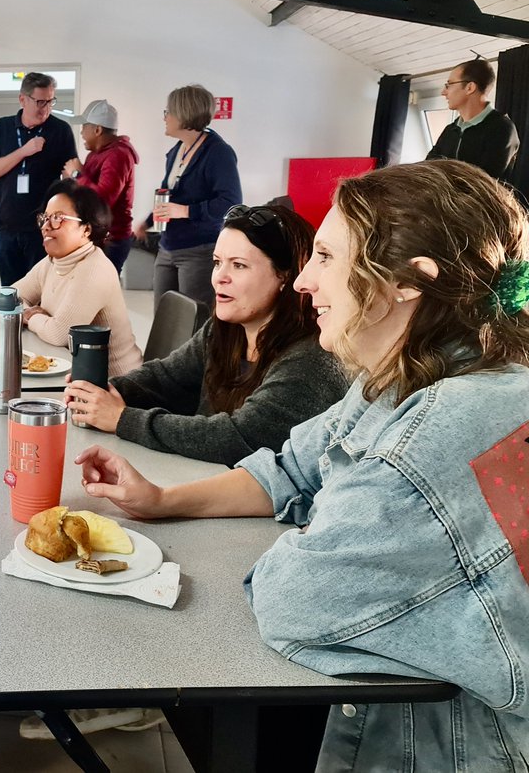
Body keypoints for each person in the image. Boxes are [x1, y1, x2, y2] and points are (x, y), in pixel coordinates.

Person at [81, 159, 529, 770]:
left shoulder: (431, 435)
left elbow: (296, 601)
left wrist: (323, 529)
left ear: (409, 281)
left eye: (325, 257)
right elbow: (292, 466)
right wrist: (163, 501)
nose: (304, 282)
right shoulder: (406, 378)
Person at [67, 203, 346, 465]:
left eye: (238, 265)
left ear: (286, 276)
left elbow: (239, 437)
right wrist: (98, 394)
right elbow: (165, 378)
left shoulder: (310, 359)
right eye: (217, 262)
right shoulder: (224, 330)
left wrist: (121, 419)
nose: (219, 277)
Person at [12, 179, 143, 377]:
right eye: (44, 218)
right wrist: (39, 318)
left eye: (57, 218)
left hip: (117, 384)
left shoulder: (95, 269)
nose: (46, 226)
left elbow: (59, 334)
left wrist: (30, 317)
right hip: (78, 373)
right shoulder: (53, 261)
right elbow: (9, 297)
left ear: (86, 229)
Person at [134, 84, 241, 310]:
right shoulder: (177, 151)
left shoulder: (218, 152)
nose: (165, 117)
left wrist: (185, 211)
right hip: (168, 247)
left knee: (193, 321)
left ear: (184, 114)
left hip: (198, 251)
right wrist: (147, 222)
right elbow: (168, 195)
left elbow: (230, 202)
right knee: (164, 320)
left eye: (168, 112)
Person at [0, 72, 78, 285]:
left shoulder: (60, 130)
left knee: (41, 290)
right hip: (8, 224)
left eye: (50, 101)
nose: (45, 108)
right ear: (22, 99)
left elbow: (70, 175)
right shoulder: (3, 126)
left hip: (43, 227)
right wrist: (24, 151)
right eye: (40, 101)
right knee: (11, 292)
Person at [63, 99, 138, 274]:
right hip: (97, 236)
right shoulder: (95, 155)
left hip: (112, 239)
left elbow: (103, 200)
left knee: (98, 291)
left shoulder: (118, 155)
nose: (81, 132)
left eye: (84, 127)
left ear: (97, 129)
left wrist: (77, 175)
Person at [428, 57, 520, 195]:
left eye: (449, 85)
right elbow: (428, 167)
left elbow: (482, 182)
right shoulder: (451, 129)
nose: (443, 92)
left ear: (470, 87)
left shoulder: (502, 128)